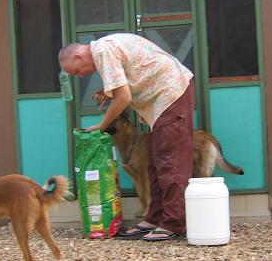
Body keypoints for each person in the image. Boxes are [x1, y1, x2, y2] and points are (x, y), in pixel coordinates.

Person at [58, 33, 194, 241]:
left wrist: (101, 126)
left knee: (170, 162)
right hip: (164, 98)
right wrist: (108, 91)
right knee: (155, 163)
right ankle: (156, 218)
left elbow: (124, 97)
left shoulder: (103, 51)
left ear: (78, 56)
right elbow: (130, 76)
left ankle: (174, 223)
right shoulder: (106, 48)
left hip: (170, 93)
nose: (81, 76)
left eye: (77, 71)